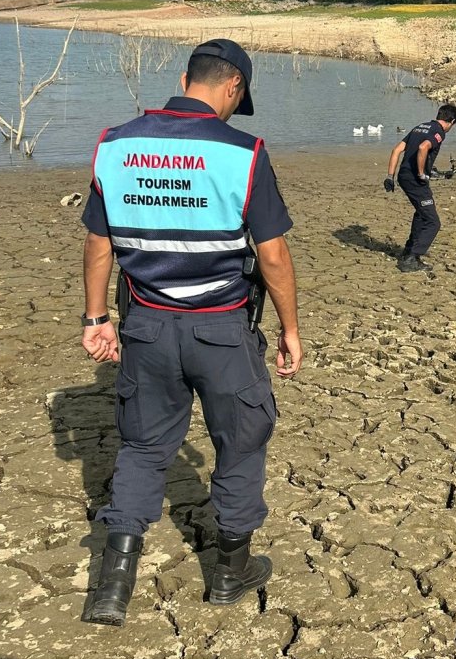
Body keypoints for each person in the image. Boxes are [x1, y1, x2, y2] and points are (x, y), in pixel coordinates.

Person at [79, 38, 302, 628]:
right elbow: (273, 256)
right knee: (240, 443)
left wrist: (96, 318)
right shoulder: (244, 152)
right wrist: (290, 330)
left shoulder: (116, 144)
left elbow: (98, 242)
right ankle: (229, 575)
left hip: (146, 326)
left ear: (184, 77)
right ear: (233, 87)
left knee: (143, 448)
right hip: (223, 331)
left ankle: (111, 590)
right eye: (239, 98)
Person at [383, 104, 456, 273]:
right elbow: (424, 147)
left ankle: (408, 250)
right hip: (415, 179)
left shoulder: (419, 127)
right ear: (452, 121)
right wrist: (421, 173)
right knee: (433, 222)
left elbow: (396, 150)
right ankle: (411, 258)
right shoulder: (438, 132)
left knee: (421, 213)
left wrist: (390, 176)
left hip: (403, 176)